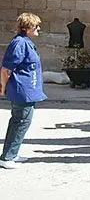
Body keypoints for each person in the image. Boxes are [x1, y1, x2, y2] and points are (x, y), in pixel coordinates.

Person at [0, 13, 47, 169]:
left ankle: (13, 152)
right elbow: (6, 69)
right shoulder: (19, 43)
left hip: (28, 89)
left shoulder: (26, 42)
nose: (38, 28)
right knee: (20, 122)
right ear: (27, 28)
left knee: (21, 121)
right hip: (22, 90)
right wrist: (2, 87)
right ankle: (7, 157)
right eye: (36, 26)